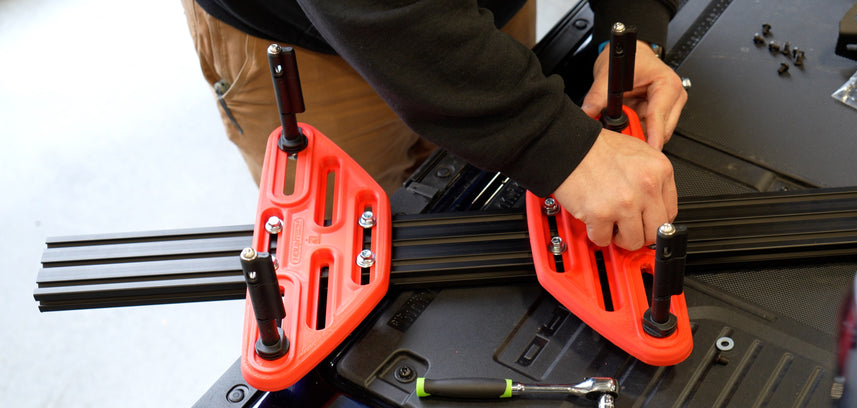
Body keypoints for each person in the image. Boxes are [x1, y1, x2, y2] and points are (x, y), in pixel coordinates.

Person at [182, 0, 686, 251]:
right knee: (347, 246)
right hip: (311, 39)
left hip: (480, 14)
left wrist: (630, 21)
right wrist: (551, 140)